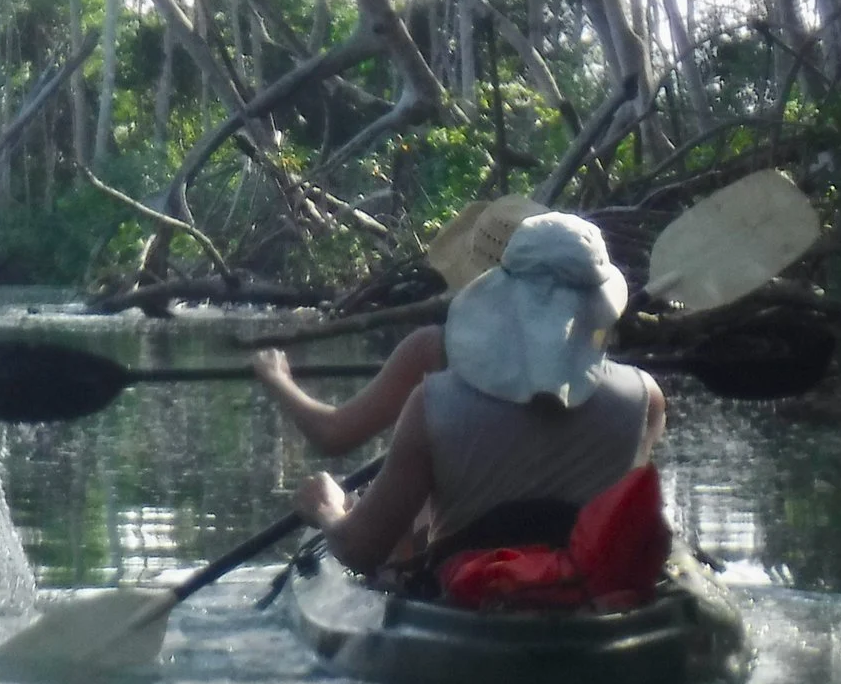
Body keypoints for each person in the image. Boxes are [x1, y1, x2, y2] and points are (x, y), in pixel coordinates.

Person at [251, 211, 665, 580]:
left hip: (473, 595)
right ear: (598, 306)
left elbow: (361, 551)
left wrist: (327, 508)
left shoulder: (433, 402)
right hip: (589, 595)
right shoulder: (646, 398)